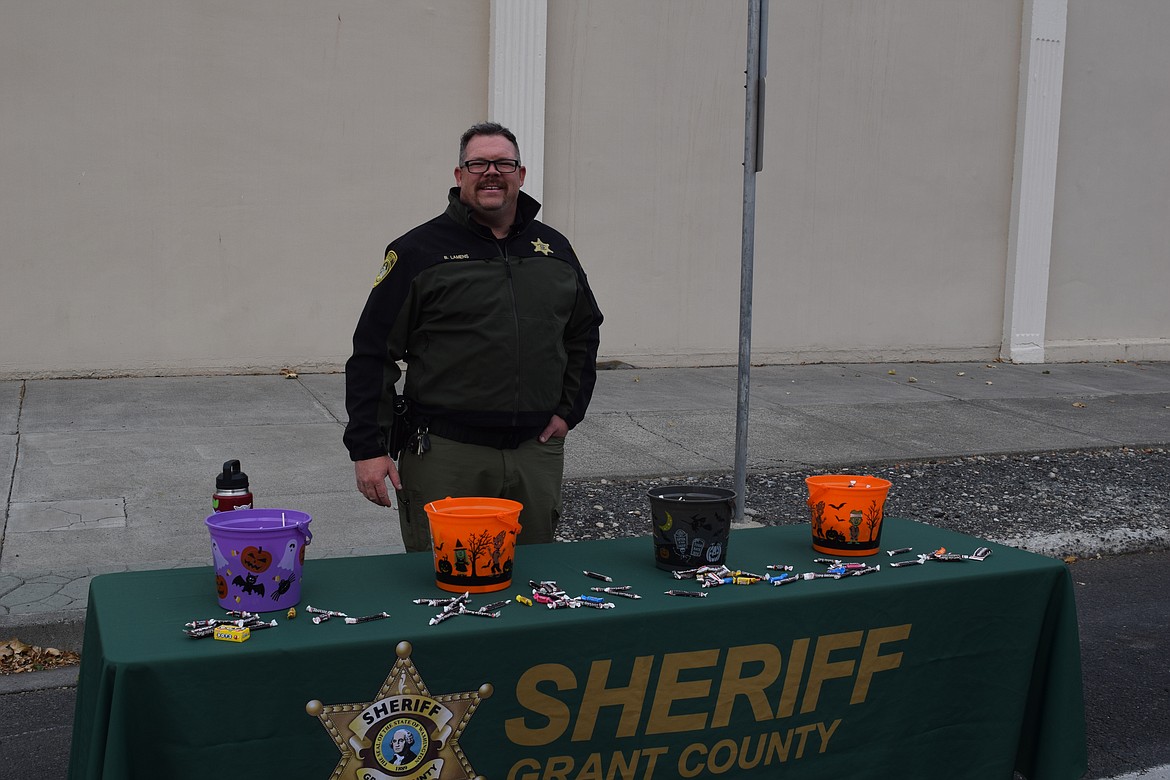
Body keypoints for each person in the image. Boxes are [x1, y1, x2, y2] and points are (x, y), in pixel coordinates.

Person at [344, 122, 603, 552]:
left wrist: (568, 411)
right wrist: (368, 449)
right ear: (459, 174)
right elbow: (373, 353)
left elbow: (583, 334)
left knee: (533, 581)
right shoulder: (417, 253)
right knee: (447, 586)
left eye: (504, 163)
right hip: (446, 454)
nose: (491, 172)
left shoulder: (554, 251)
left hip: (534, 455)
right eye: (478, 163)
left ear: (520, 175)